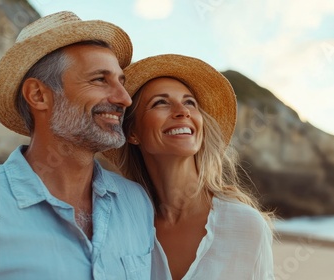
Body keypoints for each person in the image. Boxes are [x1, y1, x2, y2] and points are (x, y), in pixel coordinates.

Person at [0, 11, 154, 279]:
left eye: (121, 82)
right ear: (39, 95)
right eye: (100, 80)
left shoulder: (137, 202)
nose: (124, 99)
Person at [104, 54, 275, 279]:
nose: (182, 111)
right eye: (161, 102)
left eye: (189, 102)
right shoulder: (120, 223)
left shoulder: (245, 226)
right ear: (133, 132)